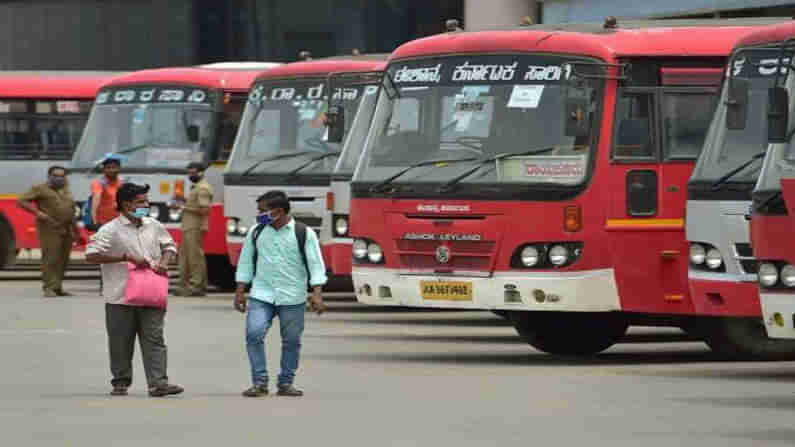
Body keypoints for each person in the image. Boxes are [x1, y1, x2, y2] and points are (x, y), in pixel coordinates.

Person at [85, 182, 184, 398]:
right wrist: (124, 257)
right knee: (120, 341)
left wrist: (166, 261)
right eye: (141, 202)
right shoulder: (110, 230)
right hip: (120, 296)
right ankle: (120, 382)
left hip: (152, 293)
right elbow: (91, 254)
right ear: (126, 204)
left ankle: (158, 383)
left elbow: (169, 246)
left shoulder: (154, 225)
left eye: (146, 201)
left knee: (155, 338)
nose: (146, 205)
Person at [234, 190, 328, 398]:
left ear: (277, 212)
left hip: (293, 296)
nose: (258, 215)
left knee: (292, 340)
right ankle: (259, 382)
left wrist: (317, 294)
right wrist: (240, 291)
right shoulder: (256, 231)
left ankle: (286, 382)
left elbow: (315, 265)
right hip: (262, 294)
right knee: (254, 334)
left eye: (262, 211)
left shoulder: (304, 233)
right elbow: (246, 261)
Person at [17, 166, 83, 297]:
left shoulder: (66, 190)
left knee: (63, 259)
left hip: (67, 228)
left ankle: (57, 286)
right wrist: (38, 213)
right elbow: (22, 201)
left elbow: (71, 211)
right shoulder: (40, 188)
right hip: (49, 227)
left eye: (61, 176)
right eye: (55, 175)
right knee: (51, 257)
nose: (59, 178)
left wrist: (76, 231)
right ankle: (48, 287)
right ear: (49, 176)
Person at [177, 162, 213, 296]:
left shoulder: (203, 188)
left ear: (201, 172)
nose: (190, 175)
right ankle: (186, 286)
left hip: (195, 226)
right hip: (189, 226)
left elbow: (204, 210)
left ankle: (196, 286)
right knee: (186, 256)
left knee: (194, 257)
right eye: (189, 173)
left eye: (193, 173)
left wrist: (184, 207)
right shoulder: (197, 187)